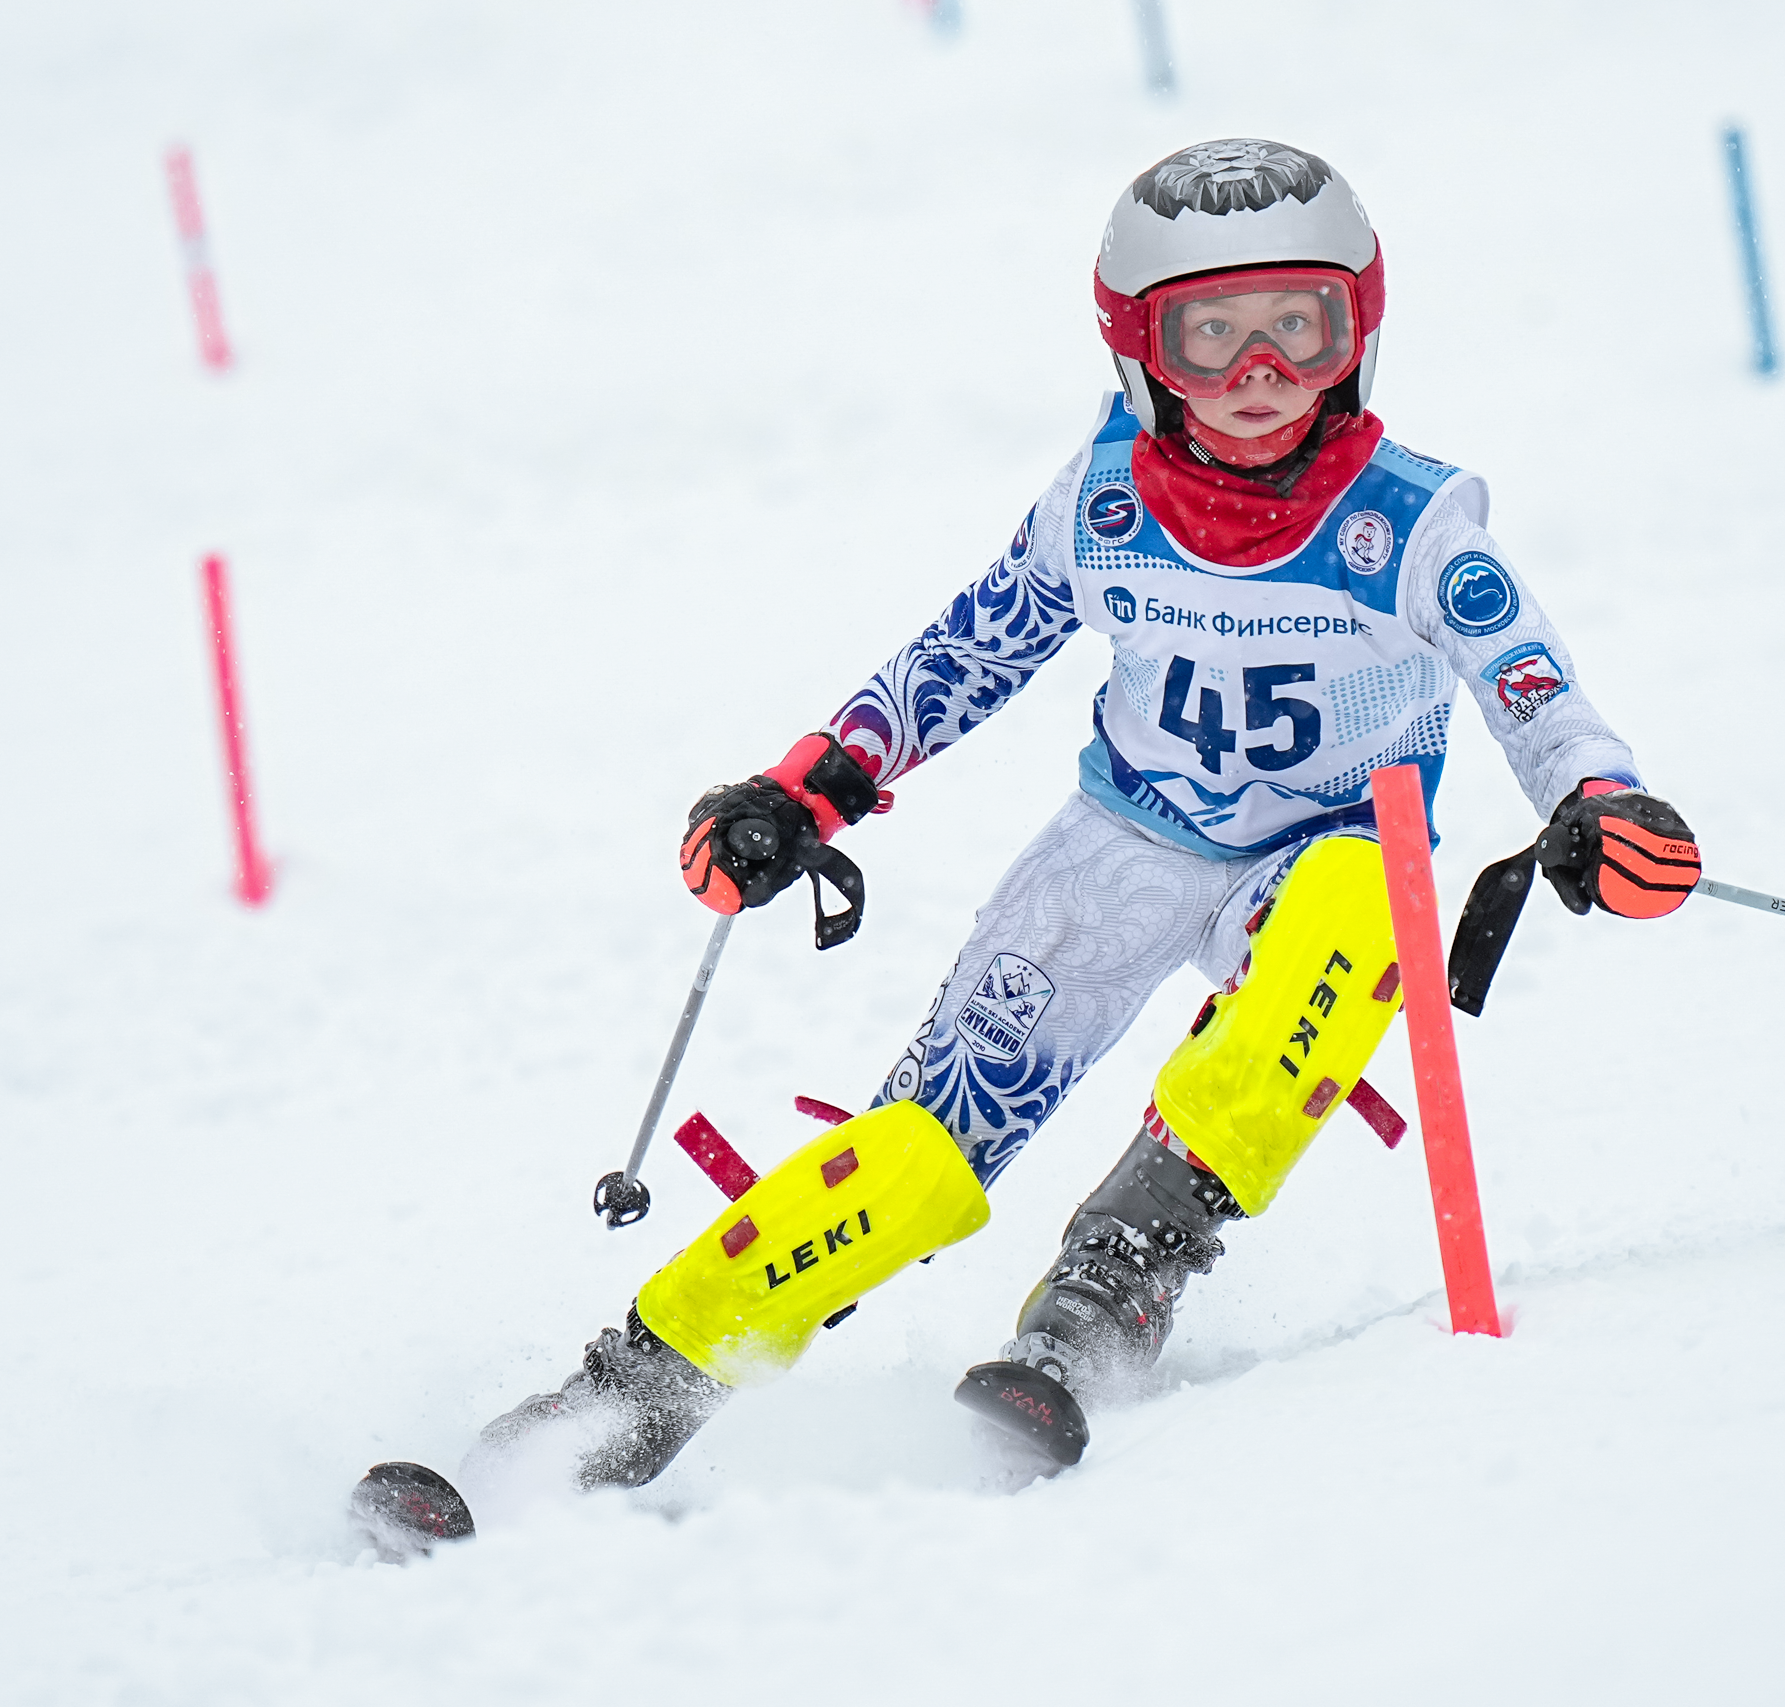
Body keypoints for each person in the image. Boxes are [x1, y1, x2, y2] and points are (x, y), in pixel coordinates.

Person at [351, 137, 1700, 1556]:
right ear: (1140, 349)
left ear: (1357, 331)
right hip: (1121, 845)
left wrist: (1599, 798)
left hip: (1326, 849)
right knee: (926, 1149)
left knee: (1373, 901)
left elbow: (1528, 678)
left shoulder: (1412, 520)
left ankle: (1107, 1287)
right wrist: (812, 785)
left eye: (1300, 329)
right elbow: (972, 648)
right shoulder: (1104, 497)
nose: (1259, 376)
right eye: (1212, 336)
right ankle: (607, 1407)